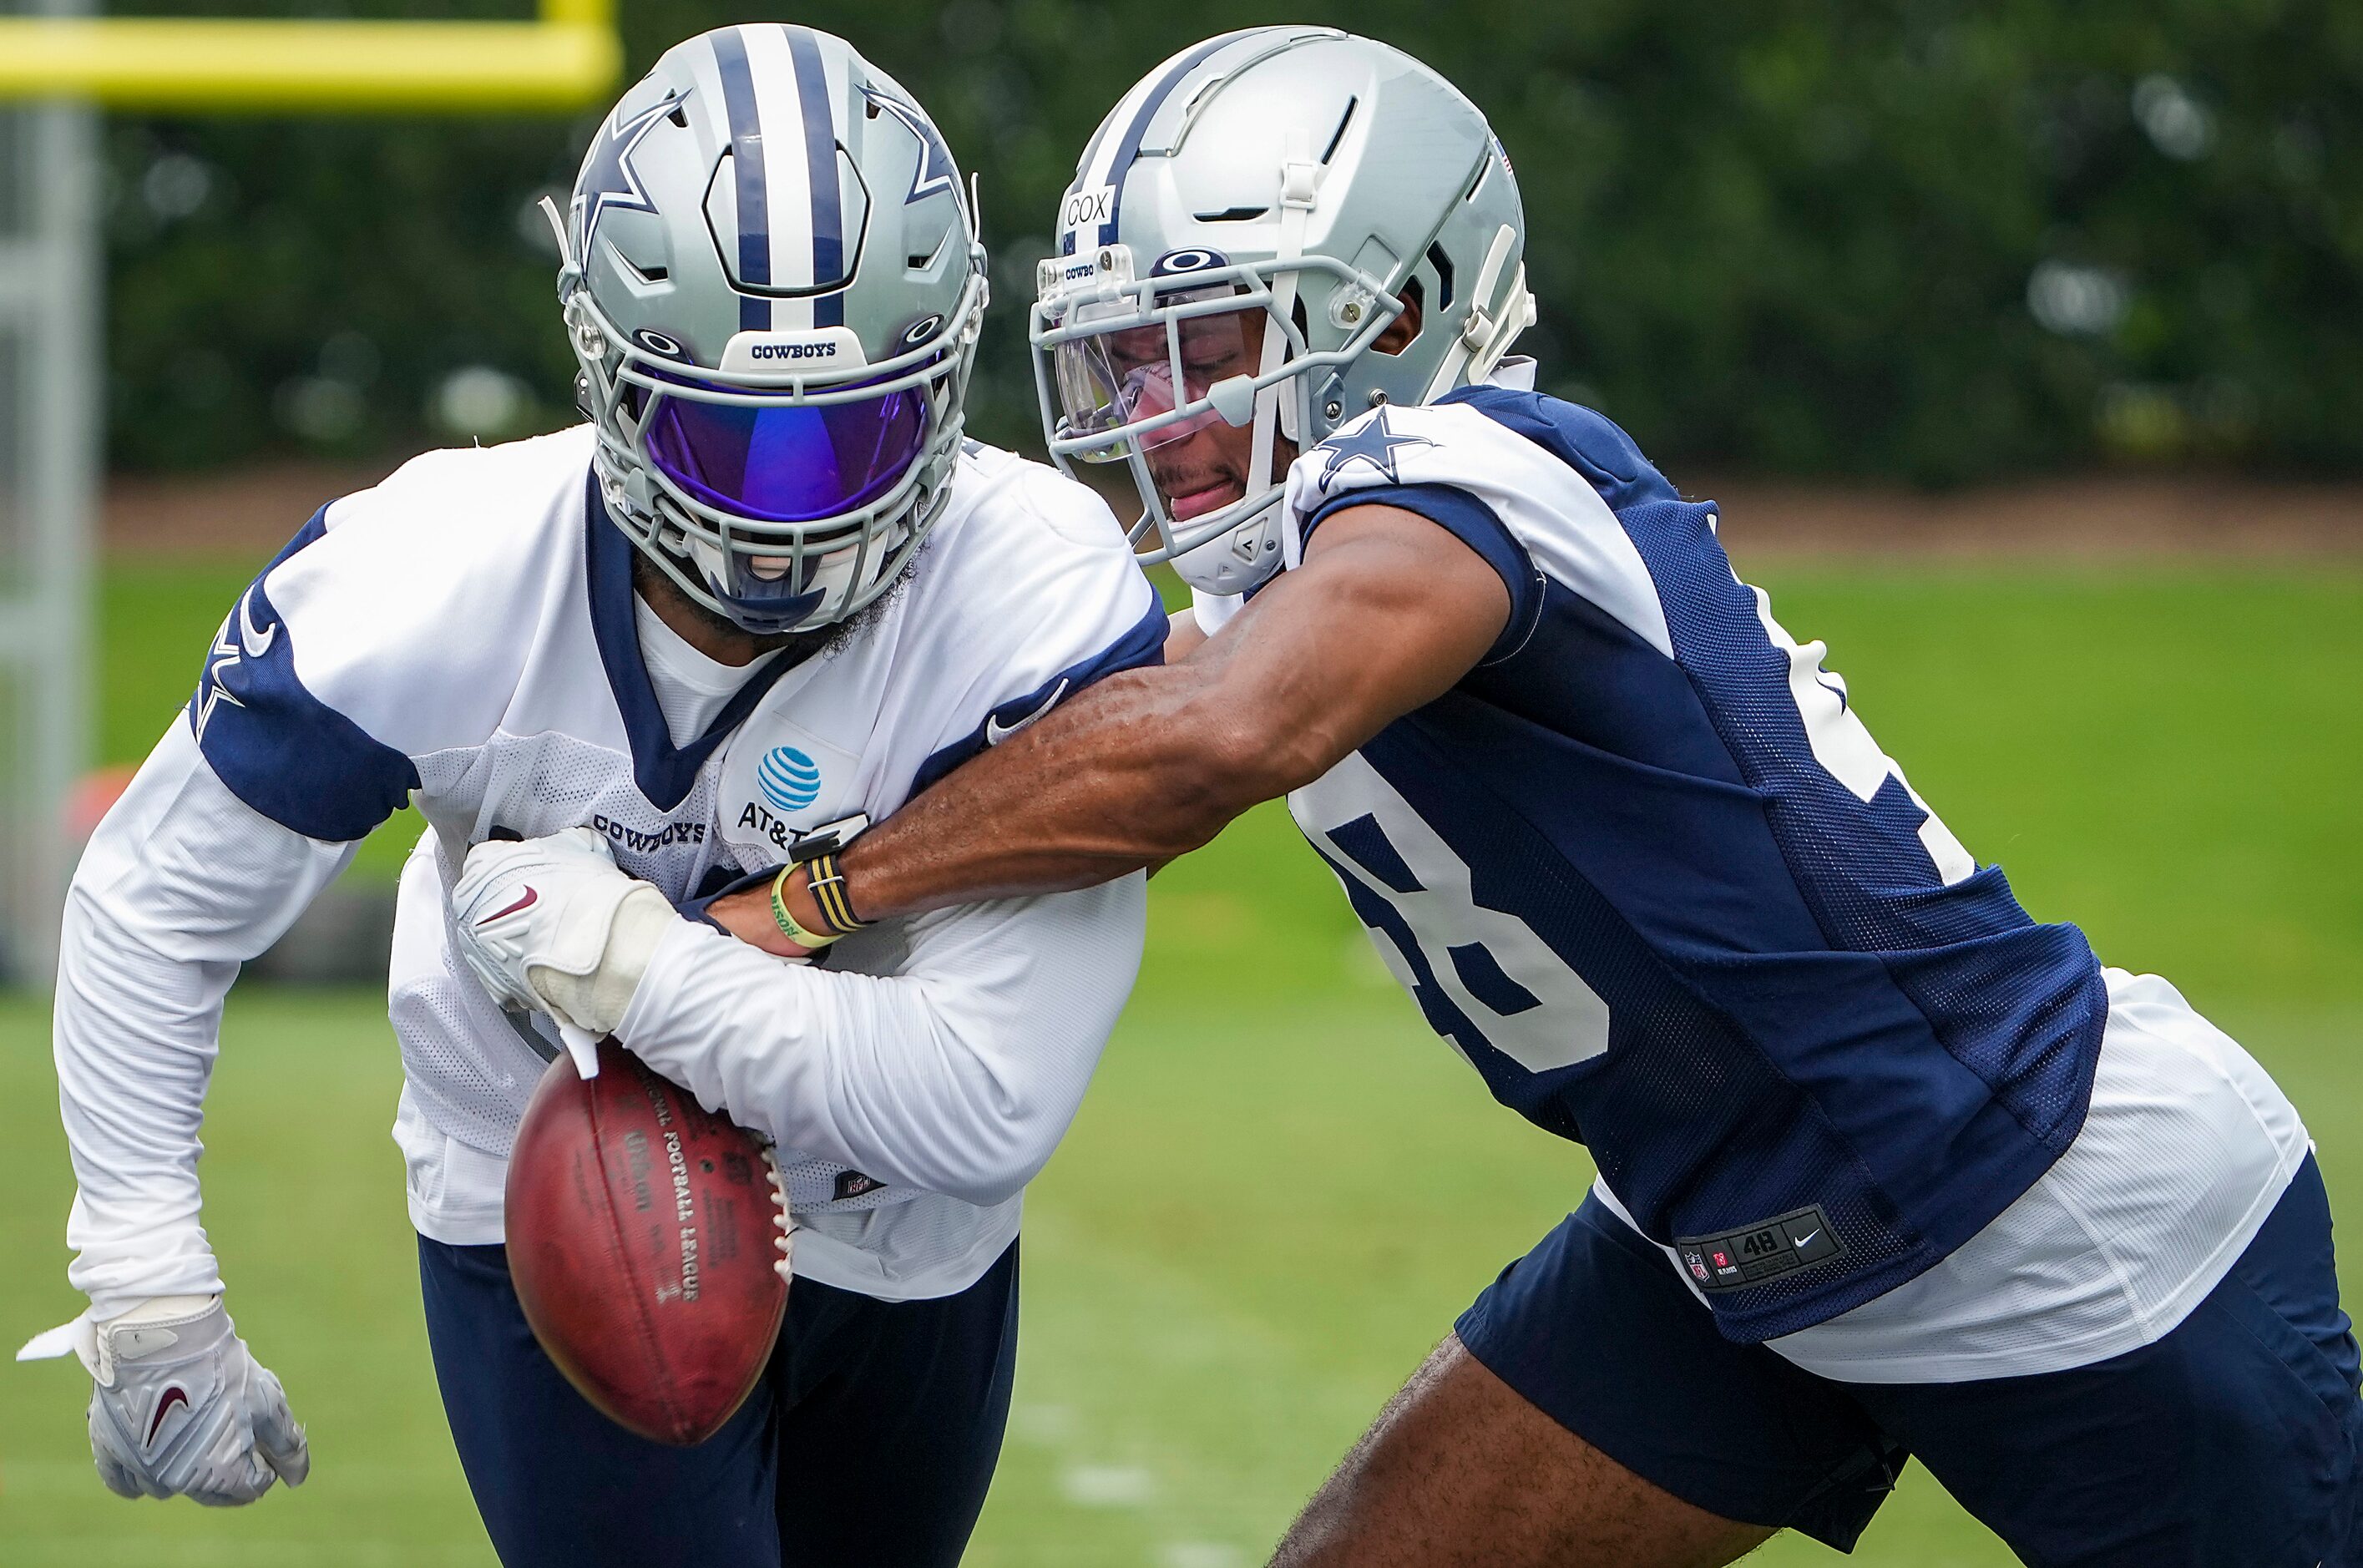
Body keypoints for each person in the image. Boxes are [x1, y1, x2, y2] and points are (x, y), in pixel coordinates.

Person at [677, 26, 2355, 1564]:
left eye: (1196, 341)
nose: (1153, 415)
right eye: (1121, 359)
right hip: (1730, 1230)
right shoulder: (1261, 592)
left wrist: (803, 901)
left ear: (1391, 314)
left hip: (2032, 1205)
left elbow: (1207, 746)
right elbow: (1070, 751)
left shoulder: (1464, 466)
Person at [23, 26, 1165, 1568]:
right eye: (728, 435)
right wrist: (149, 1284)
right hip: (542, 1183)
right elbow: (156, 905)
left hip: (899, 1216)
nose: (792, 512)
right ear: (609, 377)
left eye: (858, 427)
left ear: (946, 381)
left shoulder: (1036, 591)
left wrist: (627, 960)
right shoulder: (425, 575)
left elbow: (976, 1103)